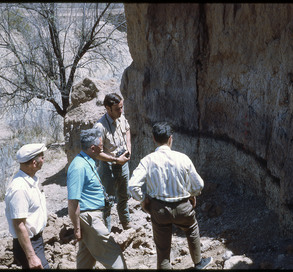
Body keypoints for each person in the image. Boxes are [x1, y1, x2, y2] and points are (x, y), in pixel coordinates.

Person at [128, 122, 213, 269]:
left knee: (162, 248)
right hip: (183, 207)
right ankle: (198, 263)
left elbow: (132, 186)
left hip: (159, 209)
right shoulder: (183, 158)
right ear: (170, 138)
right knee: (191, 228)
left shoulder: (147, 160)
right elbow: (199, 184)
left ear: (153, 139)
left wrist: (143, 199)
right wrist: (192, 194)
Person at [67, 128, 127, 269]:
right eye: (101, 147)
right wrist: (76, 228)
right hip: (89, 218)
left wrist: (116, 159)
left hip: (92, 216)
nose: (103, 150)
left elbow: (100, 155)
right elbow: (73, 201)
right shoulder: (78, 167)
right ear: (92, 148)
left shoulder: (88, 159)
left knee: (85, 259)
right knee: (114, 255)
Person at [5, 143, 49, 269]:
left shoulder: (31, 180)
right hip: (28, 244)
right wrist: (31, 256)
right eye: (42, 157)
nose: (43, 159)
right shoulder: (19, 188)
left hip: (36, 242)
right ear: (34, 163)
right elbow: (19, 224)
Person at [93, 92, 133, 231]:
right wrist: (116, 159)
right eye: (117, 109)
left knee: (124, 196)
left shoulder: (121, 118)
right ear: (107, 108)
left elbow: (127, 129)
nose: (121, 111)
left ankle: (126, 224)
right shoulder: (100, 126)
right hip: (108, 167)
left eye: (122, 107)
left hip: (123, 165)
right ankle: (106, 231)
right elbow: (97, 153)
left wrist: (129, 148)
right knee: (108, 200)